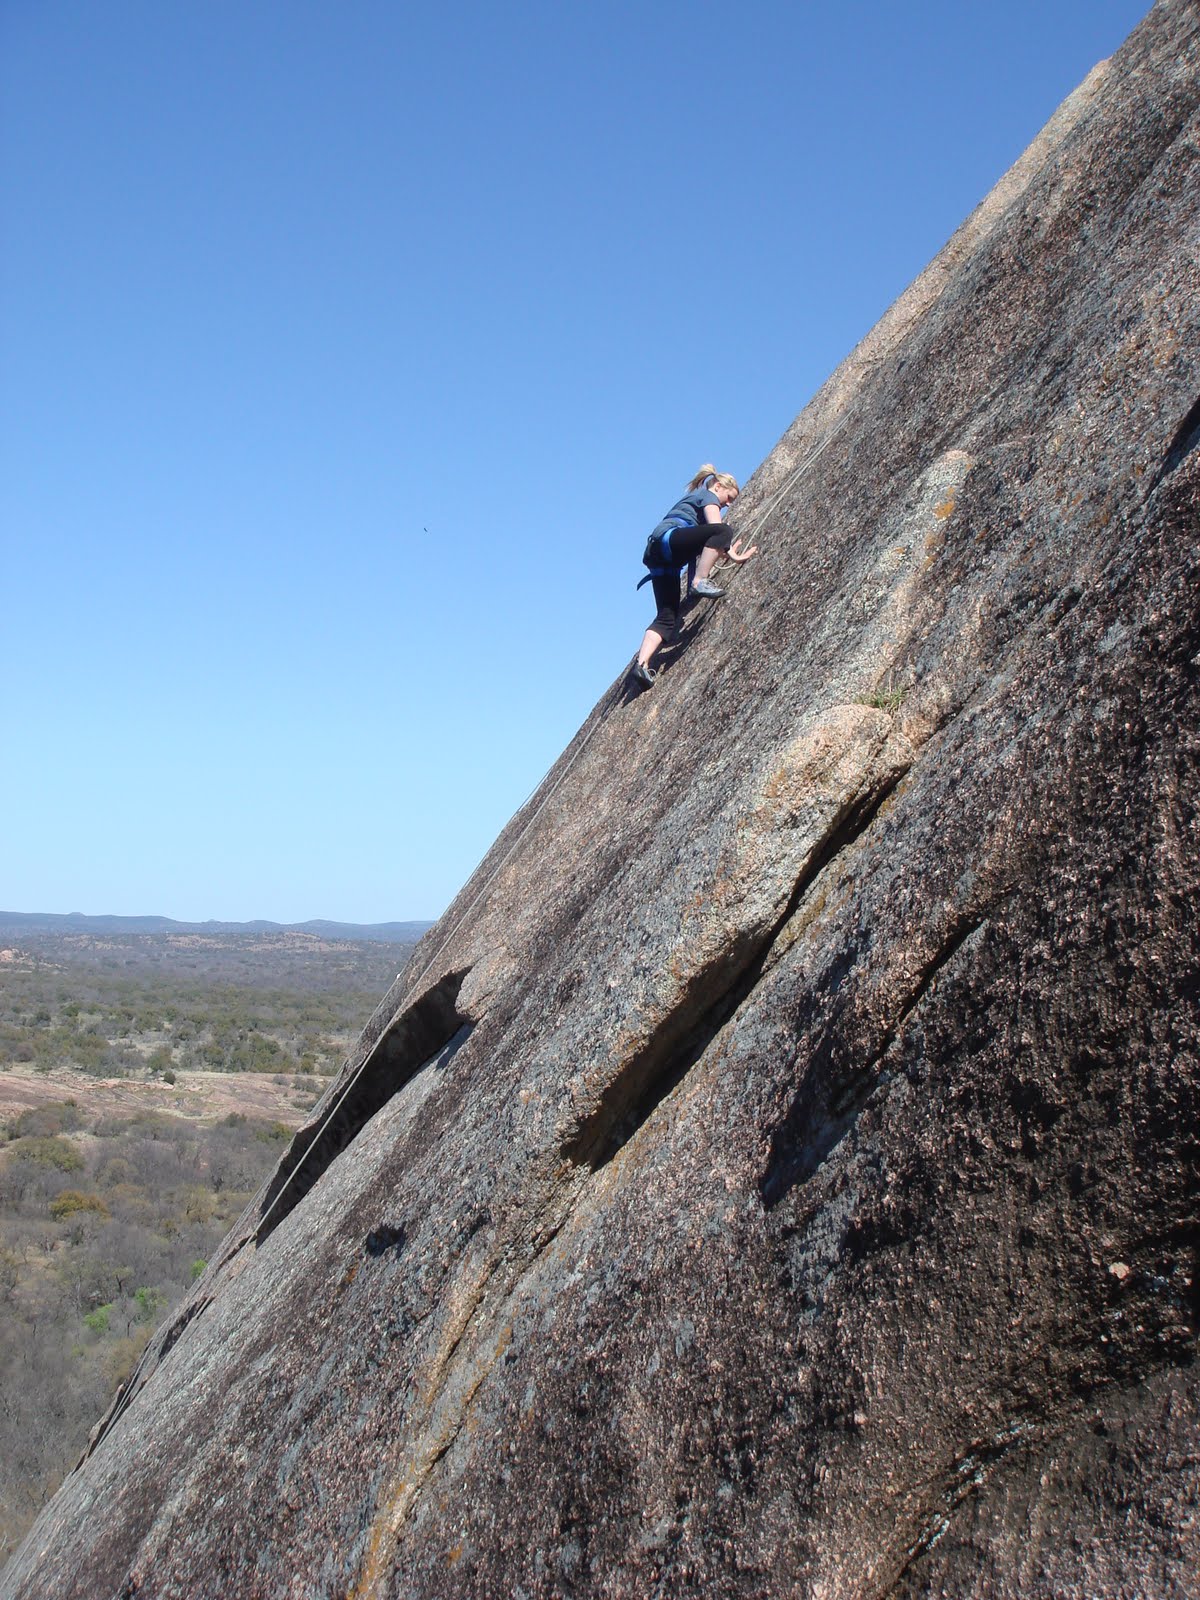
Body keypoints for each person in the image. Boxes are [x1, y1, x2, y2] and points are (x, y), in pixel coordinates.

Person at [631, 465, 758, 687]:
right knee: (724, 530)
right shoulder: (707, 496)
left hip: (662, 559)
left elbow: (708, 540)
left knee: (666, 619)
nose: (728, 504)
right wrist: (731, 552)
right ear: (718, 487)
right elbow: (716, 527)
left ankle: (641, 666)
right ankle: (700, 581)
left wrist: (722, 549)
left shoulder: (700, 498)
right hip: (669, 541)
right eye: (728, 498)